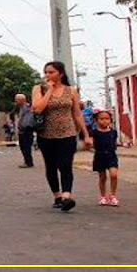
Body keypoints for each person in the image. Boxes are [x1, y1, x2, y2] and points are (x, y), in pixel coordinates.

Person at [31, 62, 92, 212]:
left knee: (65, 164)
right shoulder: (39, 89)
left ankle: (66, 196)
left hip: (67, 133)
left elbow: (77, 114)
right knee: (51, 166)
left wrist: (86, 135)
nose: (47, 75)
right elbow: (37, 108)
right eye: (46, 72)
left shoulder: (71, 91)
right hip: (46, 135)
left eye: (51, 72)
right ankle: (57, 195)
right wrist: (50, 90)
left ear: (61, 74)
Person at [91, 110, 119, 206]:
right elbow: (91, 143)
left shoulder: (113, 132)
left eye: (107, 119)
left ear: (110, 120)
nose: (104, 121)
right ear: (96, 120)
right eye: (101, 119)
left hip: (111, 156)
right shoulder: (94, 133)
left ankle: (113, 195)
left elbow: (114, 143)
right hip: (100, 156)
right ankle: (103, 196)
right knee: (102, 177)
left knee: (114, 175)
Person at [14, 93, 34, 168]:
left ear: (22, 100)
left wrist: (24, 126)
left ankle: (28, 162)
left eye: (17, 100)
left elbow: (28, 119)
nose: (15, 101)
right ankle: (27, 161)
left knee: (26, 147)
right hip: (22, 130)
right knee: (23, 147)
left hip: (27, 130)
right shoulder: (22, 108)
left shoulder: (28, 108)